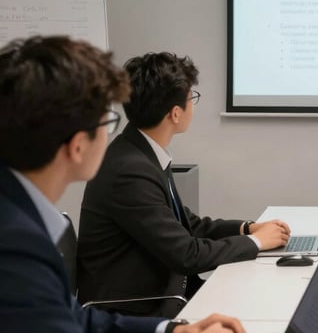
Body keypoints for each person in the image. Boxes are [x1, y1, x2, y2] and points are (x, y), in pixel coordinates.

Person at [0, 36, 243, 332]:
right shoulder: (17, 245)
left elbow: (75, 317)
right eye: (109, 122)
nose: (112, 136)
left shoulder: (23, 217)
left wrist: (173, 330)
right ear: (77, 147)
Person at [77, 52, 291, 317]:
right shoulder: (129, 171)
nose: (193, 105)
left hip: (165, 292)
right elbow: (187, 255)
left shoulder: (139, 152)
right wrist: (257, 242)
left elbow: (187, 225)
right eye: (192, 98)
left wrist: (246, 228)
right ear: (175, 113)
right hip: (136, 309)